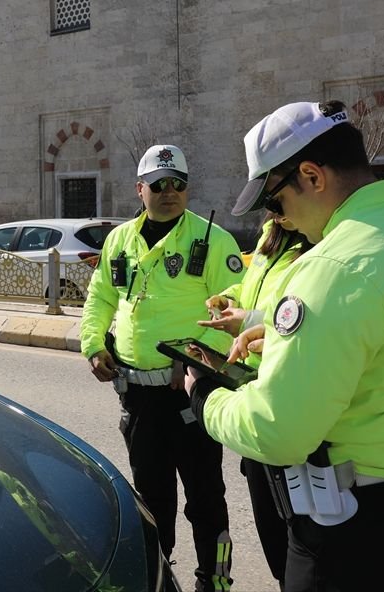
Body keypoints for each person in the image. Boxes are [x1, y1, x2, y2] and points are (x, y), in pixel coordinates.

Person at [187, 101, 384, 592]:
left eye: (274, 201)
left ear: (311, 175)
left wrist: (205, 396)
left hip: (366, 534)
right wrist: (283, 331)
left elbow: (278, 433)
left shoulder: (334, 266)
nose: (276, 217)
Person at [80, 144, 246, 592]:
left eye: (178, 184)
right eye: (159, 185)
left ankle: (215, 579)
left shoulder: (211, 239)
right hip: (137, 395)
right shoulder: (119, 240)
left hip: (191, 391)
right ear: (140, 189)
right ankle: (158, 576)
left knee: (205, 497)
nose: (169, 192)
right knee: (152, 500)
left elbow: (235, 305)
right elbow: (101, 298)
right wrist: (93, 344)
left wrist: (192, 357)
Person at [199, 213, 312, 589]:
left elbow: (311, 318)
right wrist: (232, 300)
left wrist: (251, 319)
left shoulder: (322, 241)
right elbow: (254, 287)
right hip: (255, 390)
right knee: (278, 548)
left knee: (305, 553)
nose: (276, 209)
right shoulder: (272, 233)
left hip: (292, 399)